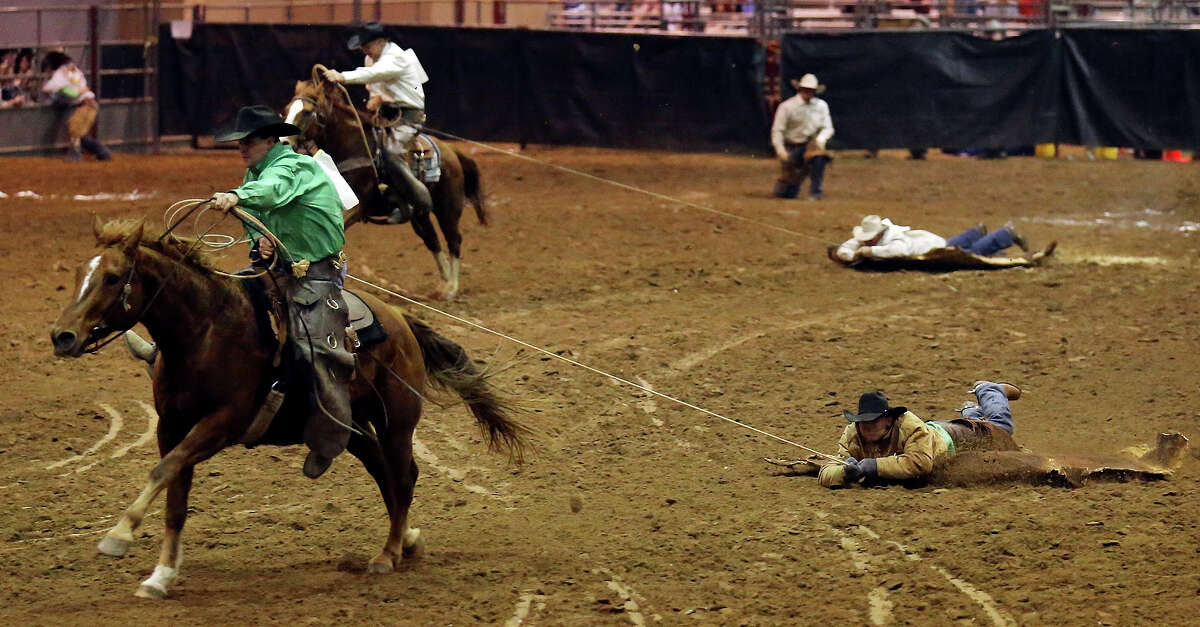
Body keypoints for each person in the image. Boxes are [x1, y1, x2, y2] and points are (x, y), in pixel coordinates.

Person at [127, 105, 354, 480]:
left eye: (248, 141)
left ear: (270, 140)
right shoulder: (256, 172)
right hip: (275, 269)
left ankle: (330, 433)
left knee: (315, 346)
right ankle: (163, 351)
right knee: (218, 300)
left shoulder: (292, 166)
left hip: (316, 271)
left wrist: (237, 195)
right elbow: (258, 222)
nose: (241, 148)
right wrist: (260, 244)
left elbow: (272, 192)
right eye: (239, 142)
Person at [321, 21, 432, 225]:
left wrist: (341, 76)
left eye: (367, 45)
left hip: (408, 118)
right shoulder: (371, 59)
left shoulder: (397, 57)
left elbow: (375, 74)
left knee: (391, 153)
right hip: (384, 116)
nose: (364, 50)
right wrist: (376, 97)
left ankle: (416, 201)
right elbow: (375, 83)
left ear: (381, 42)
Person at [819, 381, 1023, 488]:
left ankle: (989, 390)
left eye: (873, 421)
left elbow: (920, 463)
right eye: (863, 422)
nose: (866, 426)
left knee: (1002, 429)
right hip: (933, 433)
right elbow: (827, 468)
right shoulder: (852, 434)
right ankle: (972, 412)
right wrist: (844, 473)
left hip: (954, 439)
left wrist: (873, 466)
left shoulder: (910, 425)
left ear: (889, 420)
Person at [834, 214, 1029, 263]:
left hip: (930, 250)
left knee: (969, 254)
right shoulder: (870, 239)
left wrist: (869, 251)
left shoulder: (892, 238)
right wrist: (851, 255)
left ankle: (1005, 234)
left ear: (877, 234)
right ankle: (975, 233)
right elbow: (846, 247)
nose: (865, 241)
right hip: (930, 242)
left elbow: (899, 251)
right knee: (952, 244)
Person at [770, 73, 834, 201]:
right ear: (800, 89)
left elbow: (828, 128)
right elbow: (777, 130)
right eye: (806, 89)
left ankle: (815, 191)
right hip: (792, 147)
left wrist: (820, 140)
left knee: (819, 158)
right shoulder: (787, 106)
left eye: (811, 90)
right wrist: (781, 151)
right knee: (786, 190)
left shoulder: (821, 106)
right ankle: (787, 187)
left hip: (811, 146)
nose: (808, 92)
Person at [40, 51, 111, 161]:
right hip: (90, 103)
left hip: (86, 105)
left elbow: (50, 87)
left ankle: (78, 155)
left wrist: (47, 87)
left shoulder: (60, 73)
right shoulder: (74, 70)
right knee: (78, 135)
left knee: (75, 130)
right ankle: (102, 152)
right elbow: (76, 87)